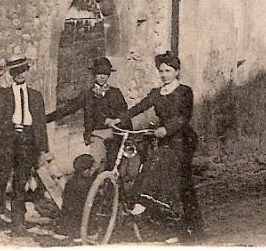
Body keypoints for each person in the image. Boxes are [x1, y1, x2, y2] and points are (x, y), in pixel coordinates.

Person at [106, 51, 202, 242]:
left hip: (183, 140)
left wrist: (167, 129)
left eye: (168, 71)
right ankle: (189, 227)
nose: (164, 74)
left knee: (161, 166)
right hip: (165, 139)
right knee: (182, 184)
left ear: (177, 71)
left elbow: (184, 117)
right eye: (161, 71)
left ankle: (147, 204)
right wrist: (119, 119)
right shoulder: (156, 93)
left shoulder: (184, 91)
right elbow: (139, 107)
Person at [0, 57, 53, 237]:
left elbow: (40, 125)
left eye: (23, 70)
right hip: (6, 144)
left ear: (27, 72)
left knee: (20, 184)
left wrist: (43, 149)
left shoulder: (36, 96)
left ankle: (18, 224)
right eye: (16, 71)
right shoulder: (1, 94)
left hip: (27, 144)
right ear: (11, 74)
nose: (20, 74)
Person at [45, 56, 130, 169]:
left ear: (109, 75)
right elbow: (69, 108)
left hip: (115, 135)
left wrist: (129, 137)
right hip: (96, 135)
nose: (102, 76)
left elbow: (125, 115)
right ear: (94, 74)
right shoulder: (87, 94)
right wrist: (45, 119)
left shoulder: (116, 93)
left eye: (105, 73)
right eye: (99, 73)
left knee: (115, 167)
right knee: (94, 166)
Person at [56, 153, 97, 239]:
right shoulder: (83, 183)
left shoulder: (72, 181)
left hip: (69, 216)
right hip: (77, 218)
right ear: (83, 170)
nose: (90, 172)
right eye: (88, 169)